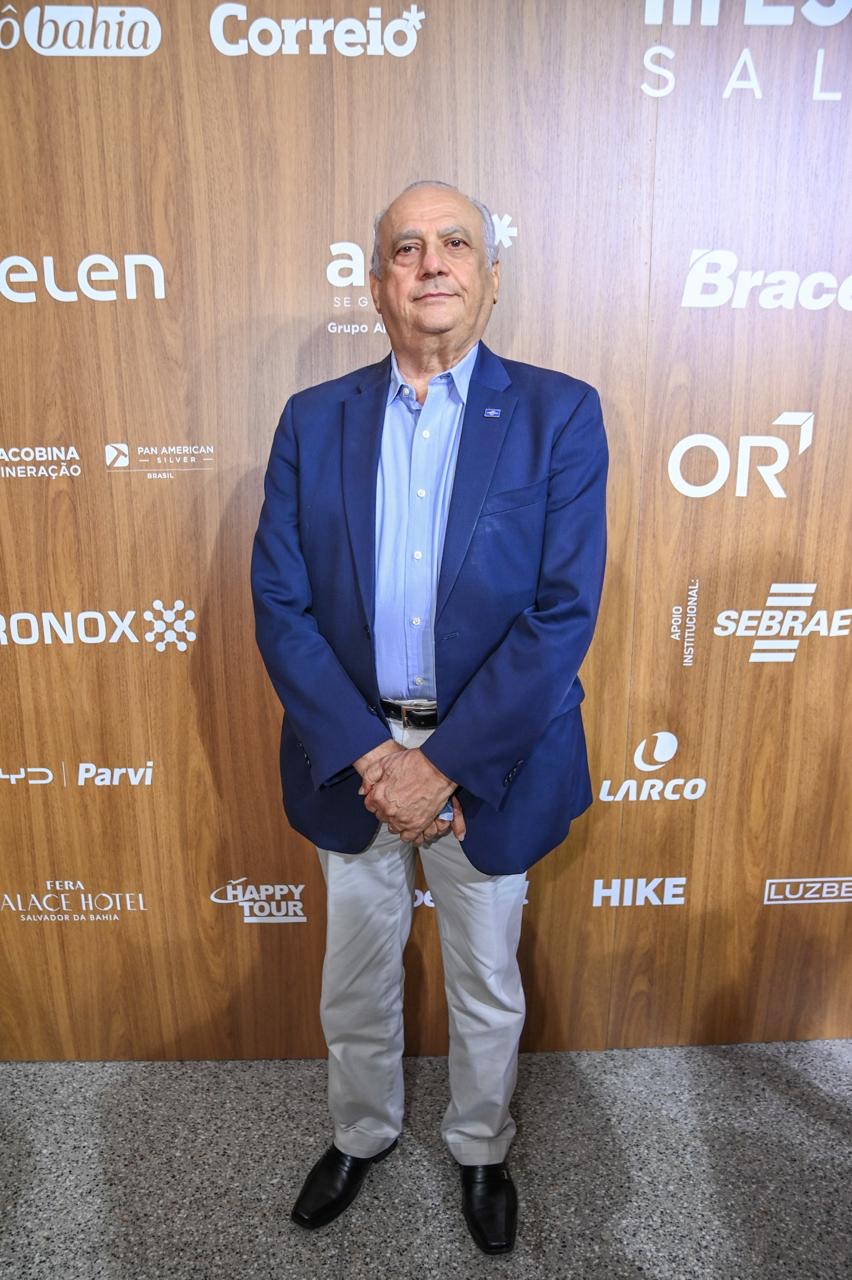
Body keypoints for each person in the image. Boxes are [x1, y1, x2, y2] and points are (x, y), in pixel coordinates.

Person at [251, 180, 608, 1255]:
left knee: (486, 977)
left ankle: (481, 1146)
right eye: (406, 249)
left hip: (489, 758)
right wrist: (377, 755)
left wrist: (440, 764)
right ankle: (360, 1131)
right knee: (355, 972)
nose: (432, 263)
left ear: (491, 276)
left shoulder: (558, 413)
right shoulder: (314, 420)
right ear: (377, 283)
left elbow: (561, 613)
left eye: (455, 242)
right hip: (352, 756)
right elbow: (281, 602)